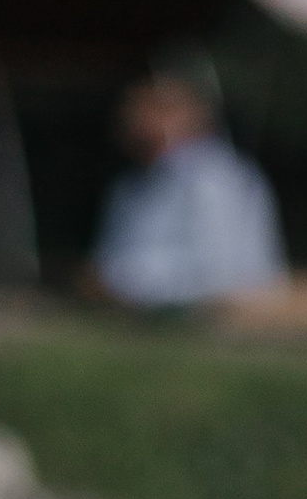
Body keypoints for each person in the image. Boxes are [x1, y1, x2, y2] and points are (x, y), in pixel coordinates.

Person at [88, 60, 285, 313]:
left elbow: (220, 275)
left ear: (188, 114)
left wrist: (120, 282)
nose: (131, 117)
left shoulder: (218, 178)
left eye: (149, 107)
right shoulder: (129, 184)